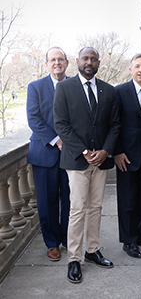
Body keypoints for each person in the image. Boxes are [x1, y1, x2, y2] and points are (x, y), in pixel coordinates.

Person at [53, 47, 120, 284]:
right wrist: (84, 151)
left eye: (93, 58)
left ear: (98, 62)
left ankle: (92, 250)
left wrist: (105, 151)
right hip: (77, 160)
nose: (89, 62)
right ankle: (74, 258)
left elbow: (115, 125)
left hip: (101, 161)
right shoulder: (64, 88)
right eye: (85, 58)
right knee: (78, 208)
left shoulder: (109, 91)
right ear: (78, 62)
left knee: (96, 207)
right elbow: (61, 124)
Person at [27, 47, 70, 262]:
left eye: (60, 59)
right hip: (44, 153)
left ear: (67, 62)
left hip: (71, 154)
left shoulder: (74, 85)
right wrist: (57, 140)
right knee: (47, 201)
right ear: (46, 64)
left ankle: (67, 238)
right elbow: (34, 119)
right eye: (52, 60)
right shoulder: (35, 87)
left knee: (71, 200)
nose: (57, 63)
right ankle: (52, 243)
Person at [114, 53, 141, 258]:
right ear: (130, 70)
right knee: (128, 200)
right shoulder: (119, 92)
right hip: (127, 156)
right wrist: (117, 151)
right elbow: (113, 125)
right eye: (137, 66)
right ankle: (128, 240)